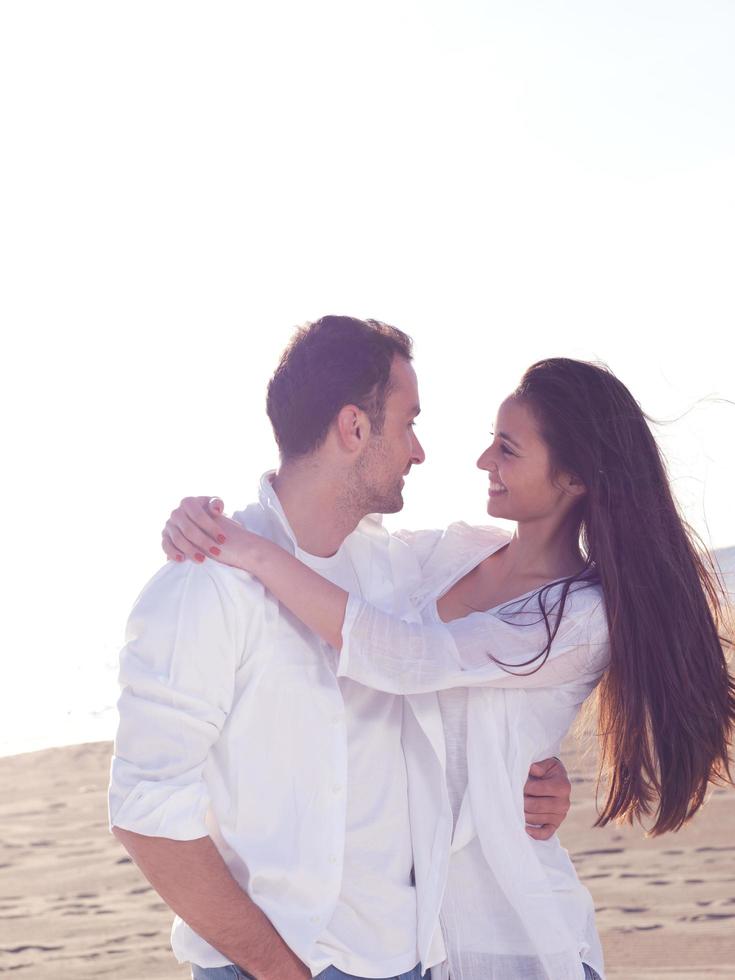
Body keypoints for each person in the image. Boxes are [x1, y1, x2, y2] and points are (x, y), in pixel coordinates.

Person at [162, 356, 735, 980]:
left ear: (573, 478)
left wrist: (251, 552)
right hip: (422, 940)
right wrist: (212, 520)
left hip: (516, 939)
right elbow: (333, 543)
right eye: (491, 442)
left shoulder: (578, 616)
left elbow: (404, 658)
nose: (484, 461)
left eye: (507, 449)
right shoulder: (453, 550)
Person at [109, 315, 573, 980]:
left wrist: (535, 778)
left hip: (415, 959)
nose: (419, 451)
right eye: (408, 423)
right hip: (269, 967)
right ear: (354, 428)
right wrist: (279, 971)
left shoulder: (407, 574)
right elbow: (145, 811)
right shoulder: (203, 587)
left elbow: (491, 647)